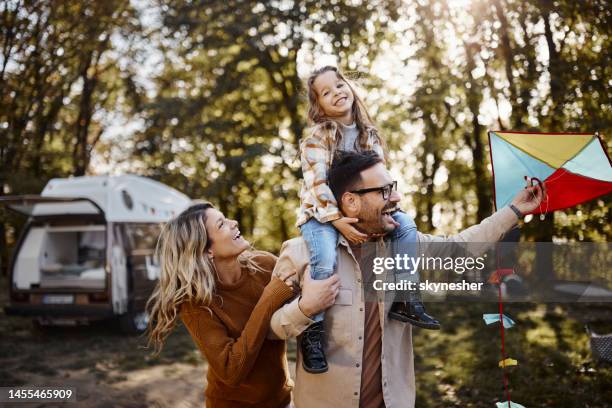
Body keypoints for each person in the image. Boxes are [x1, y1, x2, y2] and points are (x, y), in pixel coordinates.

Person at [269, 150, 544, 408]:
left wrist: (515, 210)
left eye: (394, 186)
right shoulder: (300, 253)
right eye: (384, 191)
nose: (397, 198)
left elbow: (457, 248)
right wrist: (305, 308)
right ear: (351, 201)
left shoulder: (402, 247)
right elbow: (271, 330)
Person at [297, 65, 439, 374]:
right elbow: (317, 185)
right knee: (323, 258)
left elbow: (379, 179)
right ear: (318, 105)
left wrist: (382, 213)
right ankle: (312, 333)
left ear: (349, 86)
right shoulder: (315, 140)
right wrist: (336, 220)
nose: (336, 92)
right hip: (320, 213)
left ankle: (405, 298)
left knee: (406, 227)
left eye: (339, 85)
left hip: (360, 209)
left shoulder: (369, 134)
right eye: (326, 92)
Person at [145, 202, 339, 408]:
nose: (234, 222)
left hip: (282, 401)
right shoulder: (196, 303)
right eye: (221, 224)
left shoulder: (265, 265)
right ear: (206, 250)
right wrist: (269, 298)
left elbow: (300, 305)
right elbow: (230, 370)